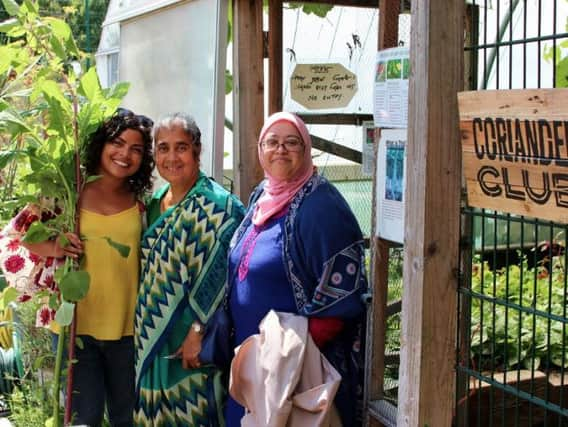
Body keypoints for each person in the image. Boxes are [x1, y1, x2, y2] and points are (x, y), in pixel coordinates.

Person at [0, 109, 155, 426]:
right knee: (84, 419)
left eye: (136, 149)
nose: (124, 154)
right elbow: (17, 236)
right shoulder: (67, 193)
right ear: (101, 144)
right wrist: (55, 246)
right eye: (117, 142)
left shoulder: (142, 201)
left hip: (129, 330)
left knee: (129, 418)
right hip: (75, 330)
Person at [223, 112, 368, 426]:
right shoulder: (262, 196)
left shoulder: (322, 208)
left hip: (296, 374)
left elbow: (340, 300)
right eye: (272, 142)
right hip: (257, 369)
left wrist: (285, 357)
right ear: (260, 149)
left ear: (306, 151)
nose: (280, 150)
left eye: (292, 143)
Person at [133, 112, 245, 426]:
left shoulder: (220, 207)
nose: (171, 157)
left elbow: (227, 277)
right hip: (151, 336)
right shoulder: (152, 204)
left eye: (180, 147)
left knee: (195, 413)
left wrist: (197, 330)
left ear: (197, 150)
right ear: (154, 153)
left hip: (193, 340)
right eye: (162, 148)